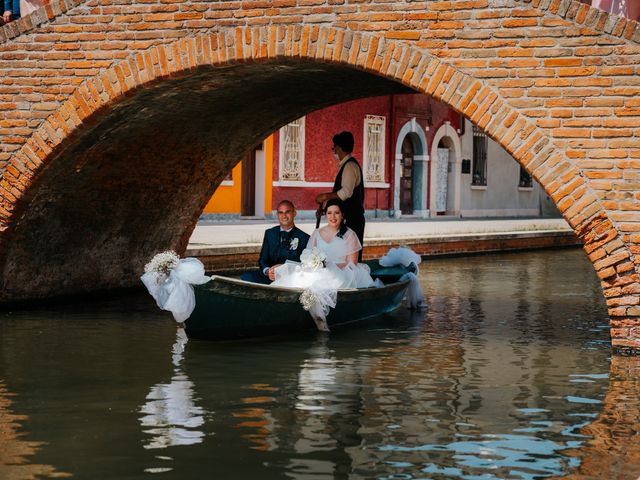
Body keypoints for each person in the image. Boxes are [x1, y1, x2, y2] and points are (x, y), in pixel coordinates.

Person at [272, 199, 375, 290]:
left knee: (321, 281)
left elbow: (352, 264)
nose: (333, 217)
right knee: (299, 277)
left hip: (343, 274)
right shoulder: (317, 233)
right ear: (325, 215)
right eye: (329, 213)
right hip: (319, 270)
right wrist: (315, 265)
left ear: (342, 215)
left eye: (336, 213)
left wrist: (328, 267)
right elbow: (308, 256)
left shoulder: (350, 235)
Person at [315, 131, 365, 262]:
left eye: (334, 148)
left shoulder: (349, 166)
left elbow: (345, 193)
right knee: (340, 253)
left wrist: (325, 196)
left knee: (350, 255)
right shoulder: (346, 165)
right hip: (347, 217)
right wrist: (326, 209)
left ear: (338, 147)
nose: (334, 151)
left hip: (352, 219)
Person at [240, 200, 310, 285]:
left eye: (287, 212)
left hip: (291, 279)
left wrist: (285, 268)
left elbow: (304, 265)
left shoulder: (304, 237)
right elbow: (262, 259)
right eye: (280, 213)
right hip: (270, 277)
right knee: (246, 276)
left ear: (294, 213)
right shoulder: (269, 233)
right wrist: (267, 271)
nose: (284, 216)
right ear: (277, 215)